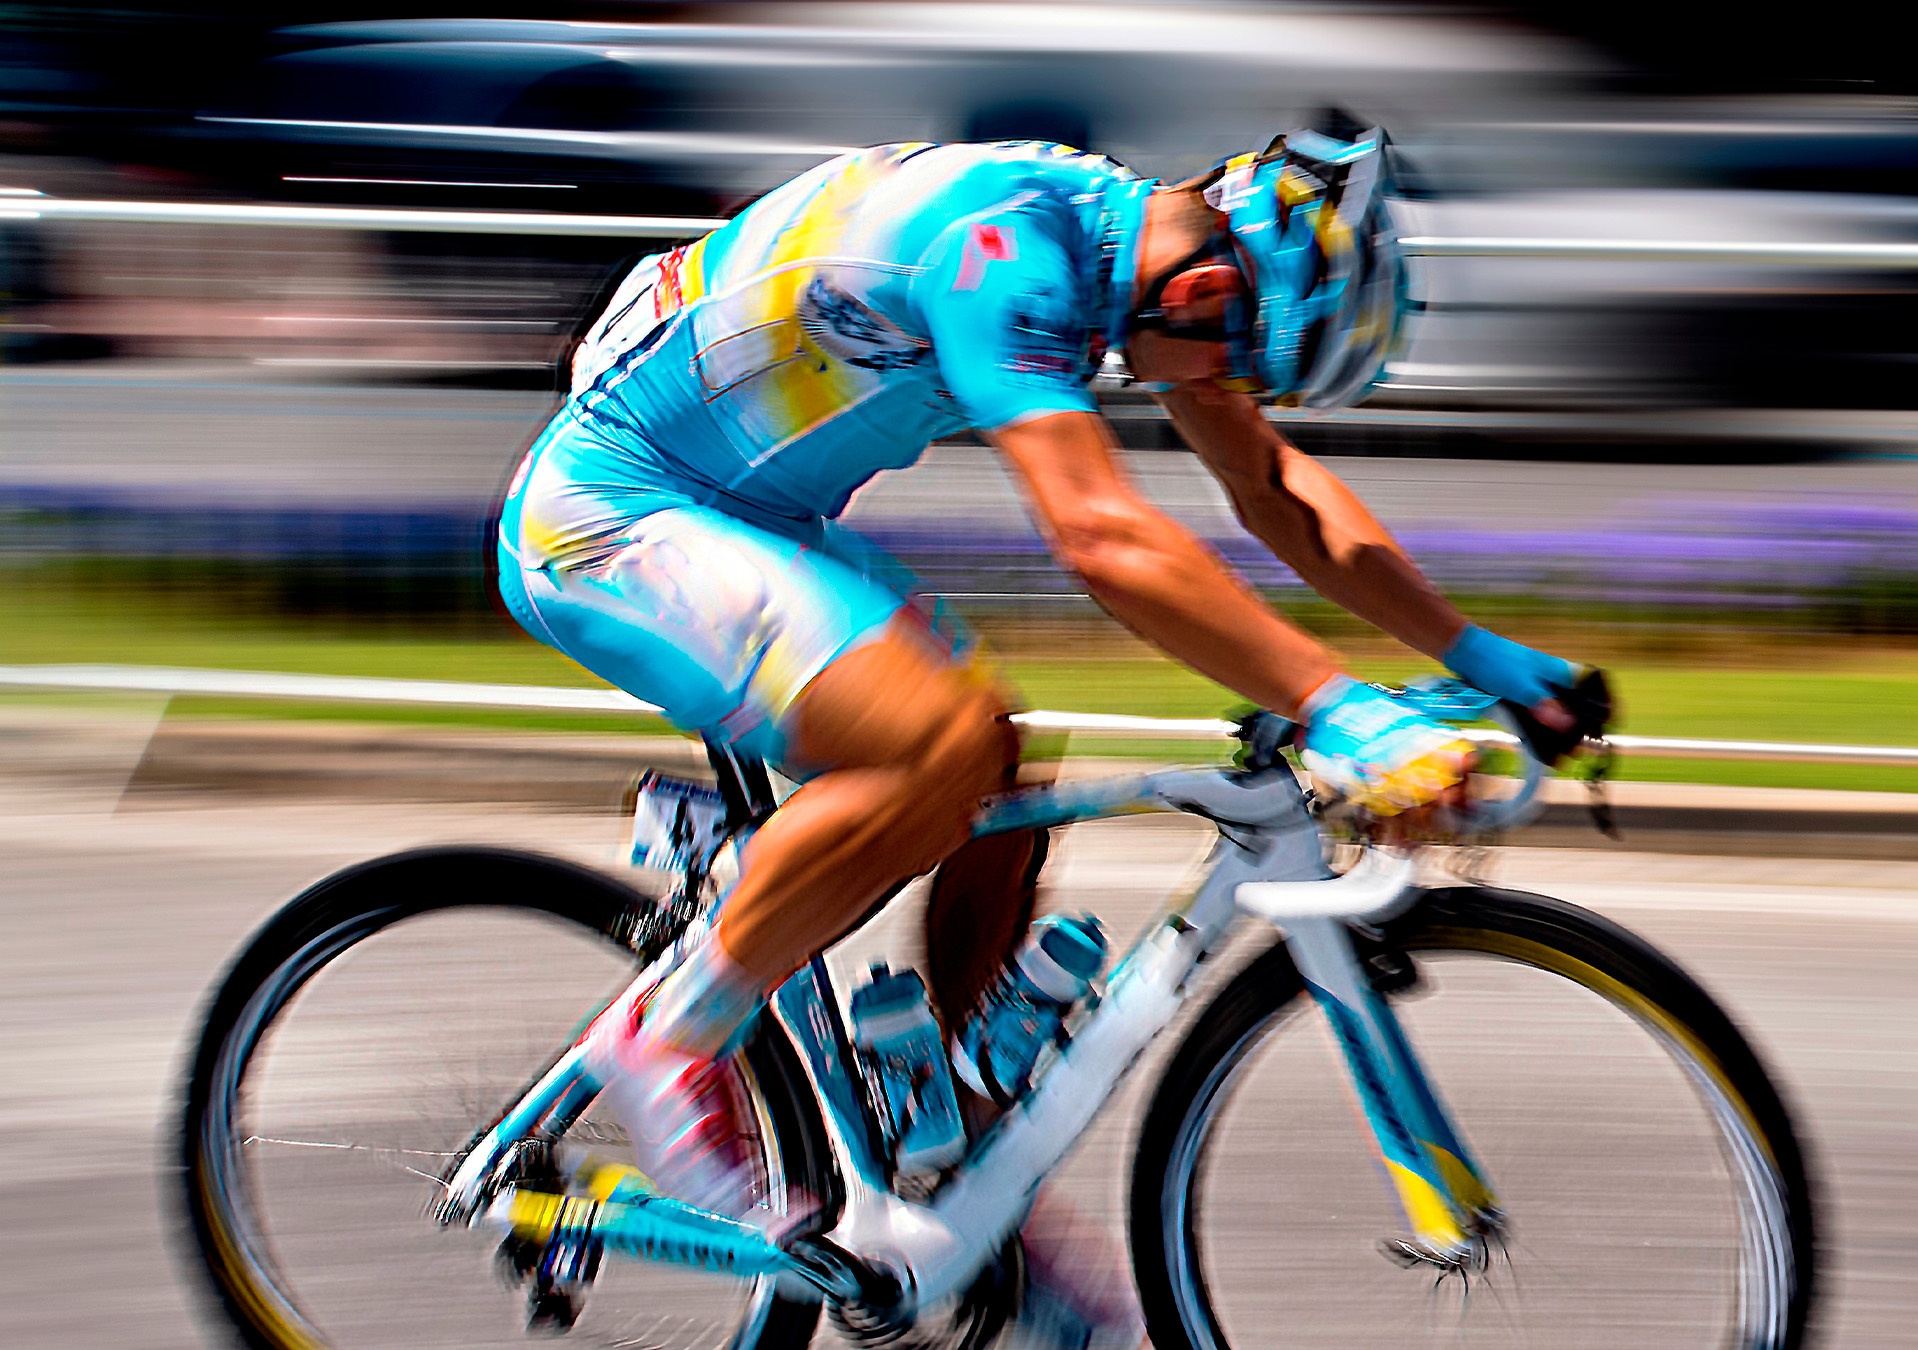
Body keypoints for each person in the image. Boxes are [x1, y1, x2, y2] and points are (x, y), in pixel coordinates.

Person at [493, 127, 1584, 1249]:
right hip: (608, 517)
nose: (1230, 387)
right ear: (1212, 284)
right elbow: (1101, 540)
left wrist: (1478, 657)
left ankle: (958, 1189)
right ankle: (670, 1036)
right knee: (937, 745)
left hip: (744, 512)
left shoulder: (1149, 273)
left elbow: (1271, 486)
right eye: (1243, 357)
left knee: (996, 766)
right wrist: (1346, 708)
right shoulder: (1010, 249)